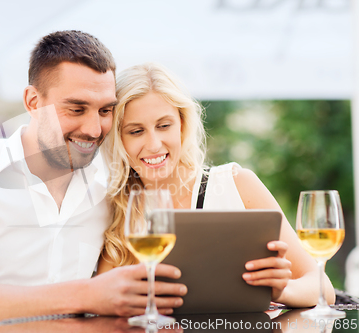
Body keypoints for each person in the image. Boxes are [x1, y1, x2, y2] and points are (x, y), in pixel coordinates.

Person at [0, 31, 186, 333]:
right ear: (33, 101)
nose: (93, 129)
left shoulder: (110, 189)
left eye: (105, 110)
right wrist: (87, 296)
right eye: (76, 109)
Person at [98, 62, 335, 307]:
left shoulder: (237, 185)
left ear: (182, 125)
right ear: (119, 139)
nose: (154, 144)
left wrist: (282, 291)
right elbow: (103, 304)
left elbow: (322, 287)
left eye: (164, 125)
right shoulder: (114, 208)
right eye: (136, 131)